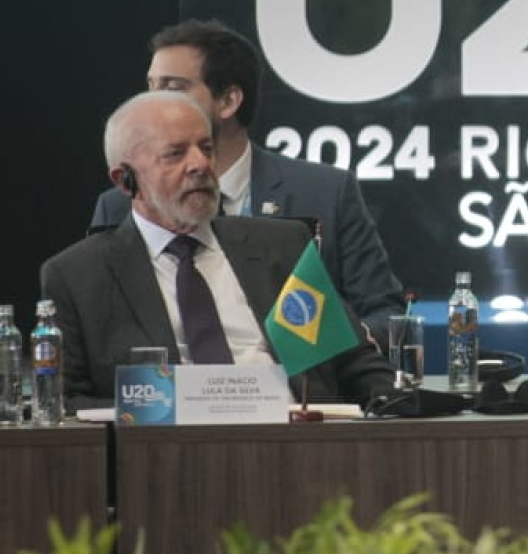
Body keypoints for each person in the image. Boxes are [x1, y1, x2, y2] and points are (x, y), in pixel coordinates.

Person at [45, 91, 395, 406]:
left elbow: (357, 365)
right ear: (125, 181)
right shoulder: (78, 277)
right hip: (163, 456)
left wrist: (400, 412)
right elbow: (67, 402)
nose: (201, 164)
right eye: (176, 154)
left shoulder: (282, 246)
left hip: (296, 444)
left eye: (206, 148)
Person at [89, 20, 407, 336]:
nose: (153, 102)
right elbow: (98, 328)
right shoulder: (123, 203)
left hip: (294, 381)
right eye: (150, 86)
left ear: (228, 101)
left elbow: (385, 316)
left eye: (173, 88)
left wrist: (326, 356)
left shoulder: (326, 194)